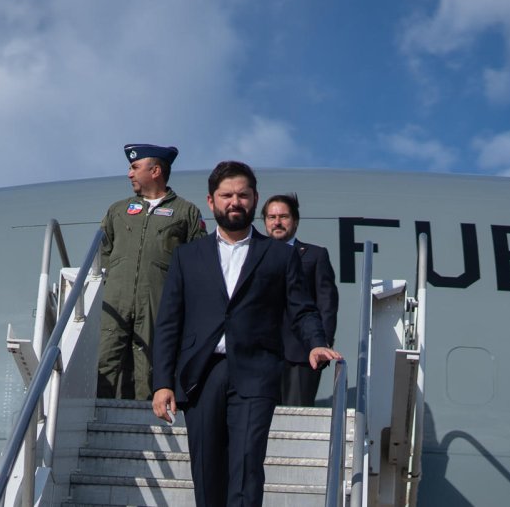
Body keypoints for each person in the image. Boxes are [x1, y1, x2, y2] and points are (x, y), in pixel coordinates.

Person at [151, 161, 342, 507]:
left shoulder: (279, 256)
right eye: (227, 195)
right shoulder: (187, 257)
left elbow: (302, 309)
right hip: (201, 373)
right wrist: (162, 382)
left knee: (247, 465)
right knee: (207, 468)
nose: (235, 202)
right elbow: (168, 323)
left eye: (242, 195)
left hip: (255, 372)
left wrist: (316, 343)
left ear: (254, 200)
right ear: (211, 201)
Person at [97, 143, 206, 400]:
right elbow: (102, 252)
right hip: (115, 298)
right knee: (106, 357)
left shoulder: (185, 212)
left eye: (135, 167)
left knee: (151, 363)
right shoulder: (118, 210)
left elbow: (199, 261)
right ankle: (96, 411)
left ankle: (146, 419)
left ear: (155, 170)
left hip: (159, 301)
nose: (129, 174)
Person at [263, 193, 338, 406]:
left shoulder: (315, 255)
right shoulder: (253, 255)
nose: (277, 222)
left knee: (294, 421)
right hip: (260, 354)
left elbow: (327, 303)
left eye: (283, 217)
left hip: (300, 354)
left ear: (295, 221)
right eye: (271, 217)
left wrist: (322, 343)